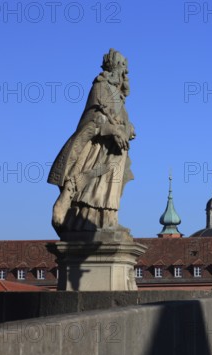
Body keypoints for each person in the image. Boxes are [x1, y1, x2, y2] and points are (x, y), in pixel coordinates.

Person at [49, 49, 136, 235]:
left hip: (116, 152)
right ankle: (86, 221)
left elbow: (123, 121)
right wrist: (112, 130)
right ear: (114, 68)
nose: (126, 74)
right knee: (93, 185)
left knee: (111, 188)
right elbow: (93, 118)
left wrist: (128, 129)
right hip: (98, 150)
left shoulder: (118, 95)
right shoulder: (100, 87)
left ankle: (108, 219)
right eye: (123, 68)